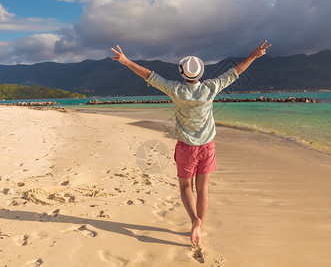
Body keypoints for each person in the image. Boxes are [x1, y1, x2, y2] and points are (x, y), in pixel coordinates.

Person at [111, 41, 271, 247]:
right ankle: (200, 226)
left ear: (182, 73)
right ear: (201, 73)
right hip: (207, 147)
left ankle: (194, 220)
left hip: (186, 147)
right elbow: (235, 72)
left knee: (186, 186)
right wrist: (253, 56)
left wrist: (126, 61)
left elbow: (149, 75)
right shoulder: (210, 87)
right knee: (203, 189)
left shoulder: (175, 89)